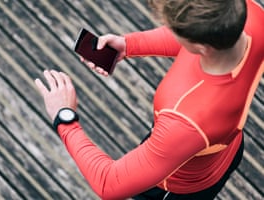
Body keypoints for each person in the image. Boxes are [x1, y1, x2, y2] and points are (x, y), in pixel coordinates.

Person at [34, 0, 263, 199]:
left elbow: (108, 184)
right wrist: (130, 45)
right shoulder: (250, 15)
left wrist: (64, 117)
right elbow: (196, 36)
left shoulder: (184, 120)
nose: (170, 31)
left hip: (175, 187)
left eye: (175, 30)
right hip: (223, 151)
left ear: (201, 47)